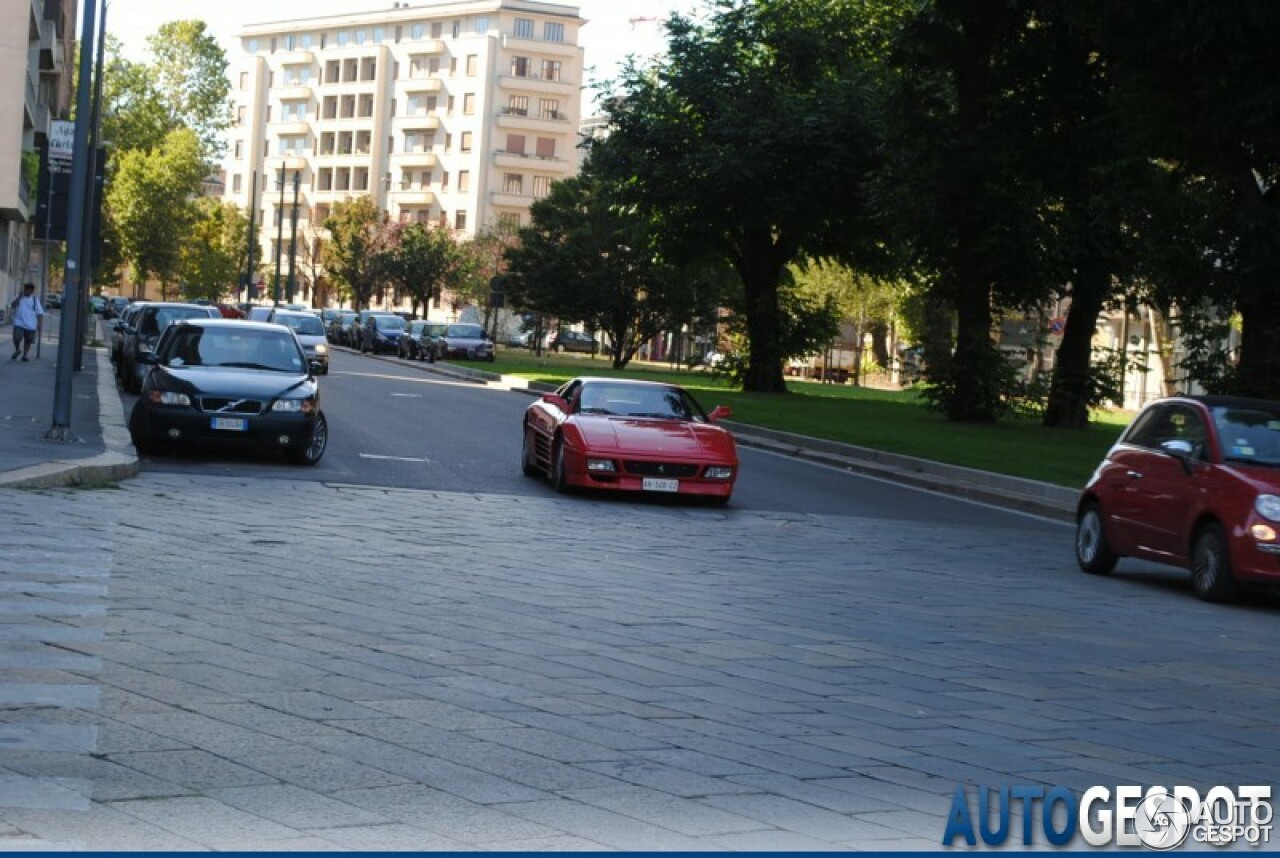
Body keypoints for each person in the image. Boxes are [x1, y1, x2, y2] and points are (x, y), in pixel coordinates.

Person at [9, 283, 44, 362]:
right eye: (25, 289)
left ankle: (25, 356)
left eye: (27, 289)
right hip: (19, 323)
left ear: (31, 291)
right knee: (16, 338)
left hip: (31, 324)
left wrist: (39, 324)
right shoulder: (19, 298)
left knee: (28, 341)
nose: (26, 291)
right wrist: (19, 297)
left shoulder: (35, 300)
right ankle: (17, 350)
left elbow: (40, 313)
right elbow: (13, 305)